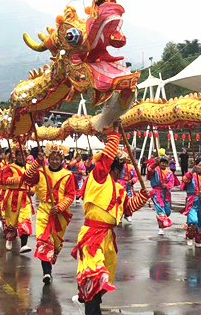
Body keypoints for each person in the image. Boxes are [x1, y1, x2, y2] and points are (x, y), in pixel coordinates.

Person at [71, 122, 150, 315]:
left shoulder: (120, 189)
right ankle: (90, 307)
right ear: (115, 169)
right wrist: (114, 133)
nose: (123, 171)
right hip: (92, 235)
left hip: (107, 237)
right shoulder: (99, 177)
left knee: (105, 279)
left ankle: (86, 301)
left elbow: (128, 209)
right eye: (121, 168)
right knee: (95, 275)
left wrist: (142, 197)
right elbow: (105, 159)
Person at [24, 143, 76, 284]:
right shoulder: (41, 171)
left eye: (57, 159)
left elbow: (70, 195)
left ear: (61, 159)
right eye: (52, 158)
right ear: (48, 158)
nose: (54, 161)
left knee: (56, 244)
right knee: (44, 241)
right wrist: (36, 162)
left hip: (61, 213)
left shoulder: (68, 175)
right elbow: (27, 177)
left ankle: (51, 259)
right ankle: (46, 273)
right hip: (44, 210)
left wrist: (60, 207)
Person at [0, 143, 34, 252]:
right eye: (19, 155)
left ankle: (24, 244)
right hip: (12, 196)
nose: (21, 157)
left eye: (23, 155)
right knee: (11, 221)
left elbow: (33, 182)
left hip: (24, 197)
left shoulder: (29, 168)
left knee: (25, 219)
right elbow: (4, 181)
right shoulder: (9, 168)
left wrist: (32, 190)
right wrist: (21, 178)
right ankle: (9, 238)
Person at [180, 160, 201, 248]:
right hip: (192, 202)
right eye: (200, 165)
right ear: (196, 166)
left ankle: (198, 239)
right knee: (193, 220)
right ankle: (190, 236)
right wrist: (191, 172)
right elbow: (184, 181)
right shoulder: (191, 175)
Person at [148, 156, 176, 235]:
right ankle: (161, 228)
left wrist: (166, 186)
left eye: (165, 163)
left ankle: (162, 224)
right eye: (162, 162)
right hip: (157, 193)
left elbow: (171, 183)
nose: (163, 164)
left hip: (166, 193)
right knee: (160, 211)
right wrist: (154, 164)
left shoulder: (169, 172)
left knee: (167, 212)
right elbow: (149, 170)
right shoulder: (155, 170)